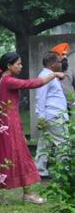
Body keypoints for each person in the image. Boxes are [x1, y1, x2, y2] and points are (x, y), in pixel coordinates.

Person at [0, 52, 65, 204]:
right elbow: (33, 83)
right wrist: (53, 74)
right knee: (20, 155)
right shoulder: (8, 80)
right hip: (9, 126)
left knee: (0, 157)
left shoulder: (2, 80)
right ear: (9, 65)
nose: (21, 66)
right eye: (18, 64)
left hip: (2, 125)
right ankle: (28, 193)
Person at [34, 51, 69, 179]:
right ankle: (64, 172)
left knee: (44, 143)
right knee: (63, 143)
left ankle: (39, 170)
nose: (61, 64)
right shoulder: (45, 76)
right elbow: (40, 97)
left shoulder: (51, 76)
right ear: (52, 64)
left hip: (52, 115)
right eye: (59, 62)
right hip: (53, 116)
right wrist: (41, 117)